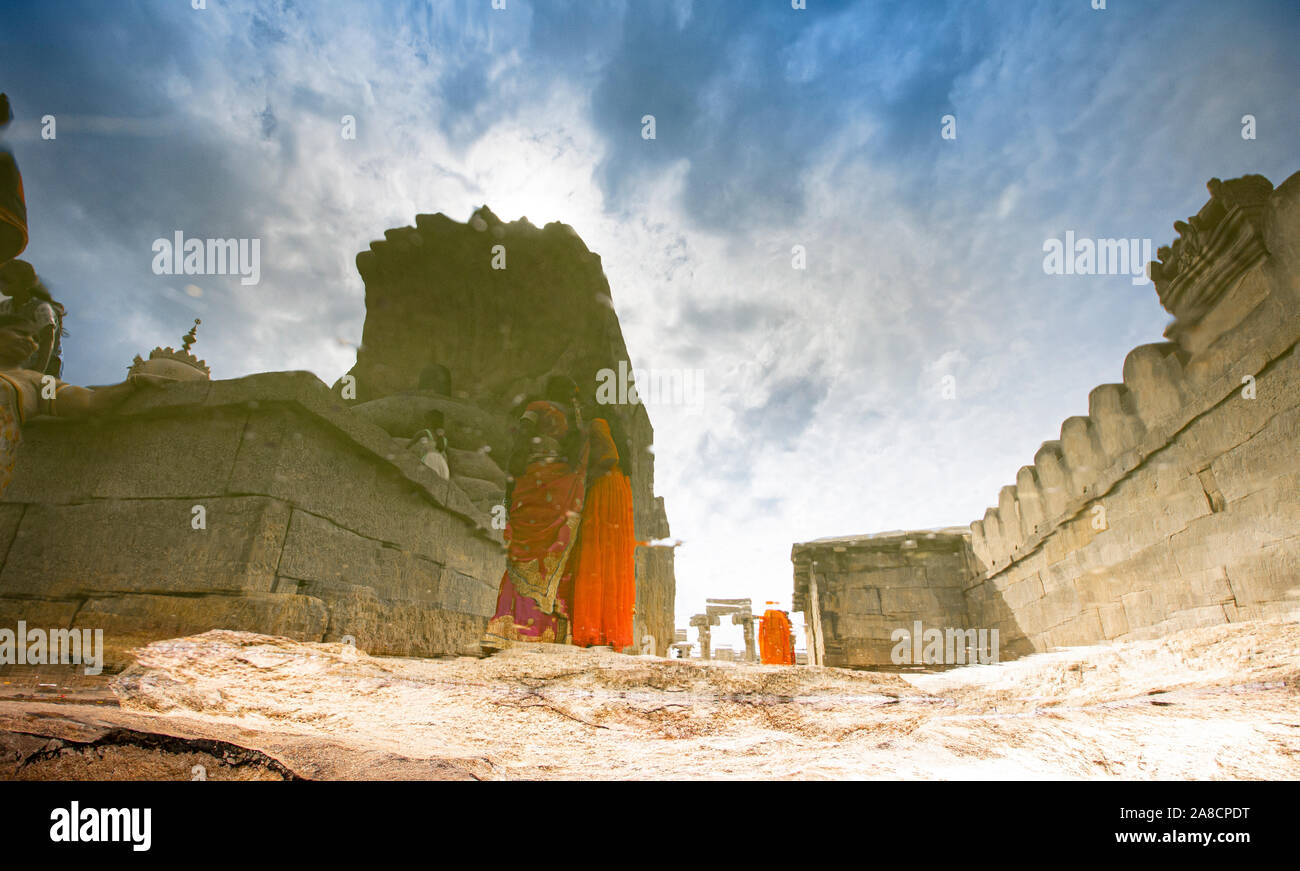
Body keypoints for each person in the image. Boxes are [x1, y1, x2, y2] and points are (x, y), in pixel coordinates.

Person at [0, 314, 169, 497]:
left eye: (35, 339)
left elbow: (90, 401)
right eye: (20, 332)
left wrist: (135, 383)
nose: (30, 341)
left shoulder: (35, 382)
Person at [481, 376, 588, 650]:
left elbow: (522, 438)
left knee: (521, 554)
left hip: (533, 483)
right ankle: (540, 631)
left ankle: (510, 627)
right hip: (557, 490)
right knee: (545, 558)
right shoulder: (572, 420)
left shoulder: (537, 407)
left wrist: (512, 469)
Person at [569, 416, 636, 651]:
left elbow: (609, 456)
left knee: (594, 555)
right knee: (611, 558)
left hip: (604, 488)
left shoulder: (597, 422)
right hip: (616, 489)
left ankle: (593, 629)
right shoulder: (617, 433)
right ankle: (608, 630)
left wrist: (584, 478)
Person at [0, 260, 65, 376]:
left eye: (7, 281)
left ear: (24, 284)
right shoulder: (5, 307)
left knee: (45, 392)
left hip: (47, 366)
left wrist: (38, 373)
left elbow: (48, 342)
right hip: (20, 365)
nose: (1, 284)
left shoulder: (41, 308)